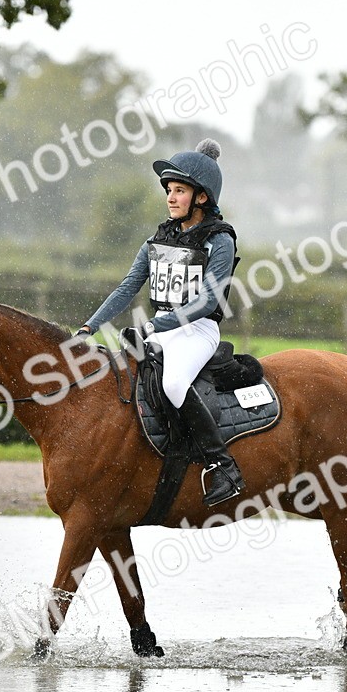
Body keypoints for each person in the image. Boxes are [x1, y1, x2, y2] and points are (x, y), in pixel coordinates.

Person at [75, 138, 245, 506]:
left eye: (179, 191)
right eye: (169, 190)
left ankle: (222, 465)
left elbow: (207, 301)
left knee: (173, 382)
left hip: (197, 331)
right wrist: (88, 328)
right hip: (165, 329)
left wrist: (157, 326)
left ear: (201, 197)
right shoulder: (157, 239)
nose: (170, 197)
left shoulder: (220, 240)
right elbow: (126, 289)